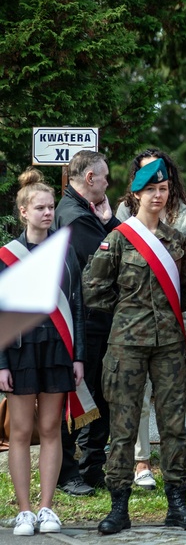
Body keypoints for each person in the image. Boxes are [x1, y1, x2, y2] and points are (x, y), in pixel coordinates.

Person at [83, 158, 186, 534]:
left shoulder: (175, 241)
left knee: (174, 427)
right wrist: (127, 313)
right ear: (136, 194)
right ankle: (119, 506)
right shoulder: (119, 239)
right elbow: (93, 290)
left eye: (163, 189)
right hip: (126, 347)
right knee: (122, 427)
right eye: (150, 189)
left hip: (169, 344)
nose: (157, 195)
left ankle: (177, 504)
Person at [115, 149, 186, 491]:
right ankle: (141, 462)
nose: (156, 187)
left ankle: (175, 463)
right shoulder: (125, 211)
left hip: (182, 318)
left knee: (181, 393)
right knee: (138, 394)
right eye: (146, 176)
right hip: (139, 318)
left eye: (162, 179)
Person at [0, 169, 85, 536]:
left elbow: (77, 306)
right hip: (19, 350)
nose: (48, 213)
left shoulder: (65, 254)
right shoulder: (6, 256)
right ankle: (24, 511)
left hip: (57, 348)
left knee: (52, 429)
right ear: (23, 212)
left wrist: (78, 355)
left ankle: (48, 508)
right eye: (40, 208)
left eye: (51, 207)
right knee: (19, 431)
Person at [53, 150, 118, 496]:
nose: (108, 182)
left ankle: (92, 468)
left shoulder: (83, 212)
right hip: (83, 320)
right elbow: (111, 253)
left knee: (100, 395)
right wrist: (110, 223)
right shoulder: (74, 216)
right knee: (78, 396)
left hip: (95, 317)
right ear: (90, 178)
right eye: (104, 176)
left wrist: (106, 221)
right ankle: (69, 472)